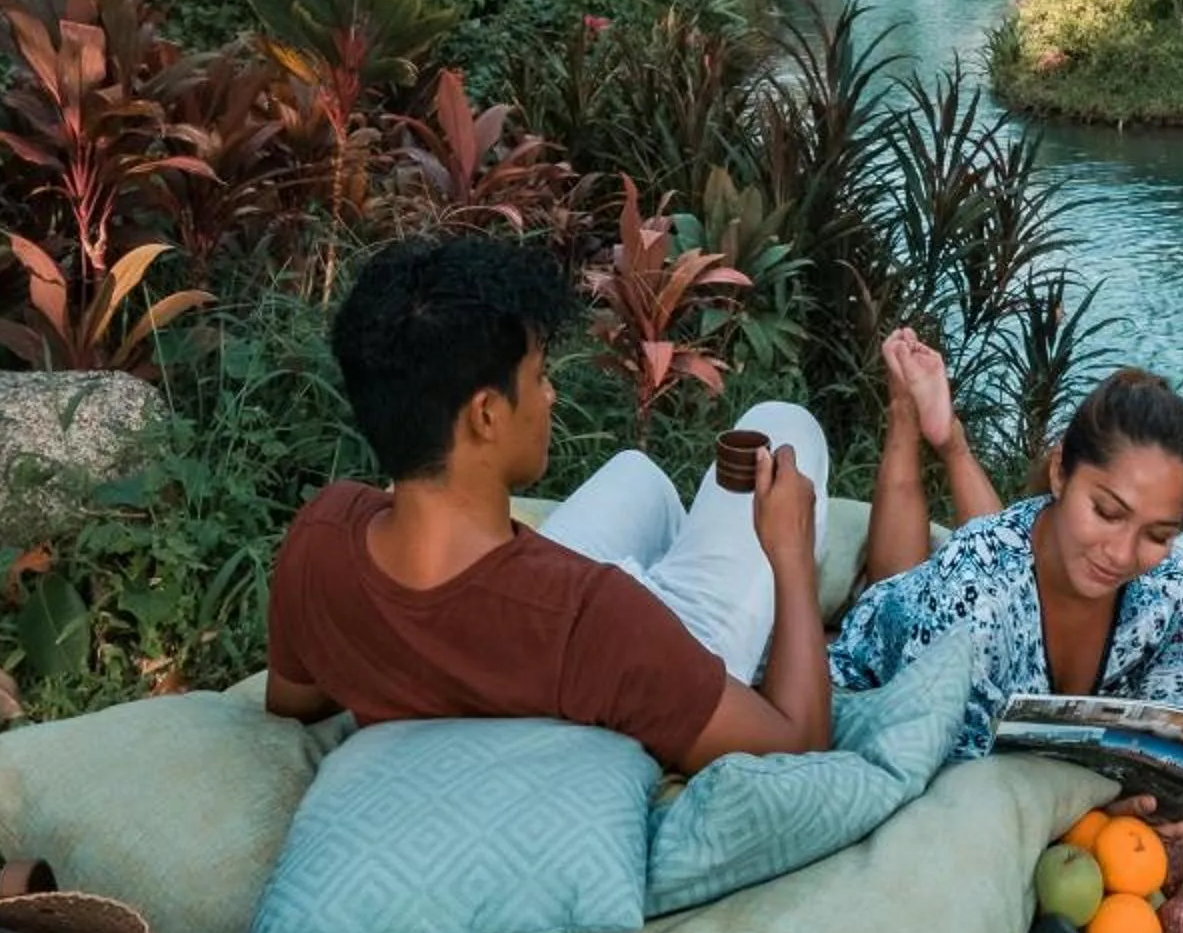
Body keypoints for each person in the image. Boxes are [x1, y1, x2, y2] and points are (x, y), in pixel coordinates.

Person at [263, 235, 835, 777]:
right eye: (537, 377)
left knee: (637, 475)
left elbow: (295, 699)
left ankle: (669, 578)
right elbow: (799, 742)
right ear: (486, 415)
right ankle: (700, 617)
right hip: (615, 650)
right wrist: (790, 551)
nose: (550, 395)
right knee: (782, 422)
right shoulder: (592, 619)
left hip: (532, 621)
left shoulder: (321, 535)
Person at [828, 329, 1183, 831]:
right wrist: (1091, 816)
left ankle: (949, 440)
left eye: (1158, 533)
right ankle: (908, 415)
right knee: (908, 588)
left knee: (1005, 563)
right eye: (1107, 511)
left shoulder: (1178, 577)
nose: (1121, 555)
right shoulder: (968, 592)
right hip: (895, 654)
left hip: (997, 580)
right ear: (1060, 472)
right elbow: (960, 789)